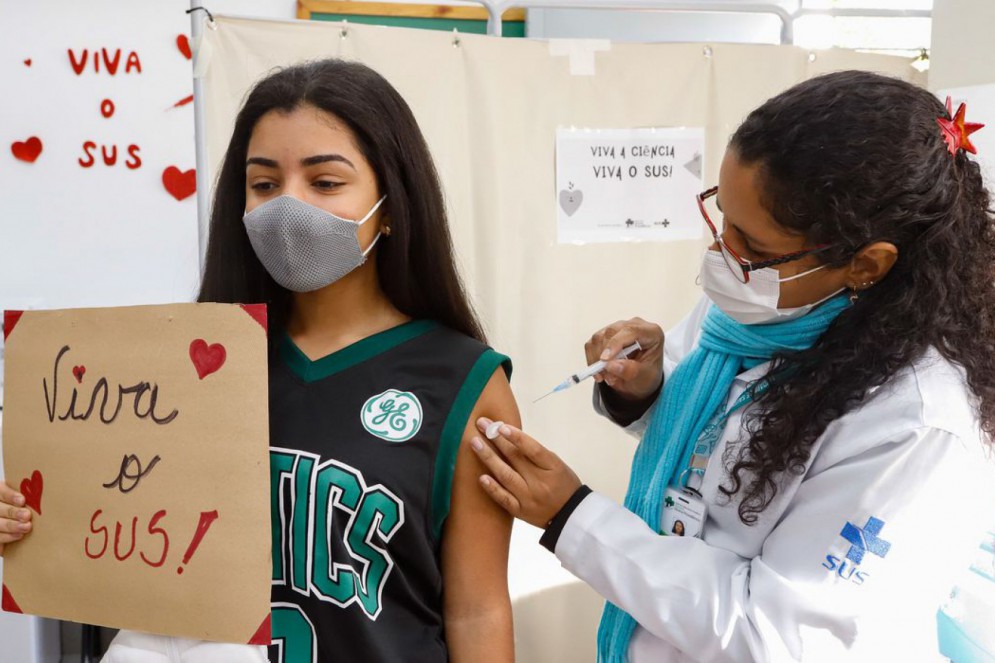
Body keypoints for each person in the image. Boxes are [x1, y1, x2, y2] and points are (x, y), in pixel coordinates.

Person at [1, 59, 519, 663]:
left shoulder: (465, 381)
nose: (286, 207)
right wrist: (28, 525)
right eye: (265, 185)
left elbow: (477, 609)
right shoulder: (184, 369)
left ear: (393, 202)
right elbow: (111, 544)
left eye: (325, 182)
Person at [468, 71, 995, 661]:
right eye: (723, 218)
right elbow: (727, 448)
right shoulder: (764, 306)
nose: (723, 256)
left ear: (866, 265)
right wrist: (648, 392)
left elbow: (771, 635)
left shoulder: (916, 425)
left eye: (754, 246)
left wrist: (572, 517)